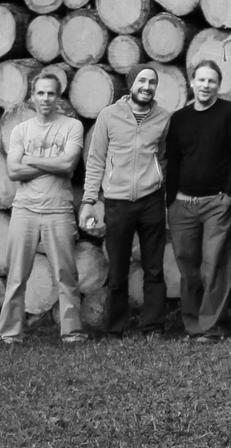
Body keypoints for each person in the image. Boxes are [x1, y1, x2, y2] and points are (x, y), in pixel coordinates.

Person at [80, 65, 171, 336]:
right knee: (118, 271)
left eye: (152, 82)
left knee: (154, 268)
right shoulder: (108, 116)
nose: (147, 86)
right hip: (117, 202)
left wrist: (159, 183)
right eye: (142, 81)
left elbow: (163, 157)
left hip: (151, 201)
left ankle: (153, 327)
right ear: (131, 84)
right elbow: (95, 159)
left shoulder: (163, 118)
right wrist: (88, 199)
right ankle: (115, 328)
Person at [0, 70, 84, 345]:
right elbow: (13, 171)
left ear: (58, 97)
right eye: (41, 93)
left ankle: (72, 332)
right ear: (32, 97)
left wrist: (30, 159)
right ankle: (10, 334)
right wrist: (51, 163)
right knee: (16, 275)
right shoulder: (20, 130)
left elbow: (67, 165)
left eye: (51, 93)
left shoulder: (72, 127)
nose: (45, 98)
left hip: (59, 210)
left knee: (66, 275)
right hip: (24, 211)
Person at [163, 60, 231, 340]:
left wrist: (230, 196)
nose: (206, 85)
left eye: (211, 81)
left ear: (219, 85)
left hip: (216, 204)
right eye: (201, 80)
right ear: (192, 82)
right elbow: (173, 161)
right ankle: (193, 324)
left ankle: (213, 326)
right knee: (188, 267)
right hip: (182, 204)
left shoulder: (230, 113)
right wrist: (171, 201)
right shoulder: (179, 119)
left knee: (215, 265)